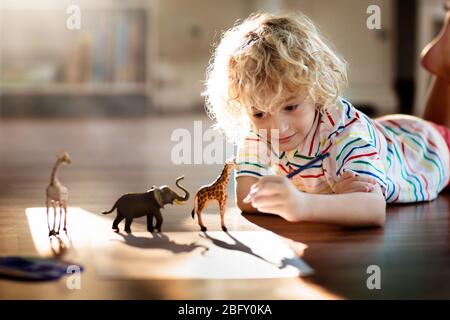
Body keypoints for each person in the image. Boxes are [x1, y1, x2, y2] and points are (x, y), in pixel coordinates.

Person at [203, 4, 450, 227]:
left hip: (426, 152)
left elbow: (372, 209)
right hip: (391, 135)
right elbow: (247, 197)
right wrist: (333, 202)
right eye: (259, 113)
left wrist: (302, 205)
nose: (277, 127)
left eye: (290, 107)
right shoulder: (256, 132)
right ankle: (444, 60)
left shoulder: (344, 135)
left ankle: (445, 60)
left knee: (440, 134)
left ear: (316, 92)